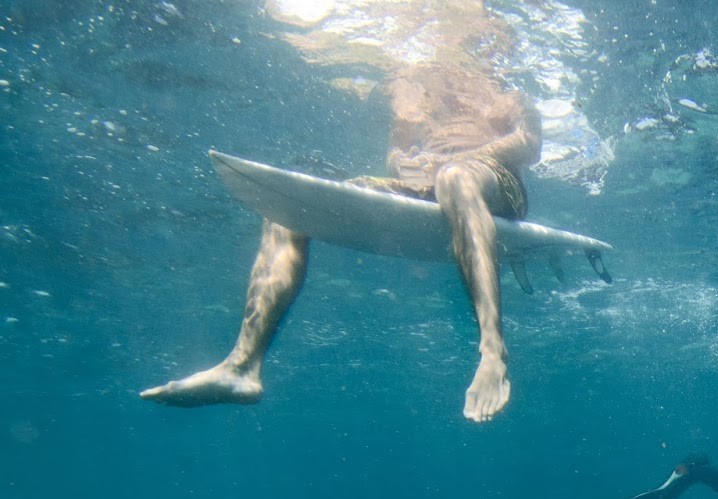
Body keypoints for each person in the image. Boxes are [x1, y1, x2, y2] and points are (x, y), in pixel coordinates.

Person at [140, 59, 541, 423]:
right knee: (293, 201)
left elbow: (529, 143)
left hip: (494, 181)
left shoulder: (502, 90)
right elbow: (396, 153)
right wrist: (407, 163)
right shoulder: (409, 90)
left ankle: (493, 352)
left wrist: (457, 159)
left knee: (455, 177)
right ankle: (242, 366)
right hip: (427, 186)